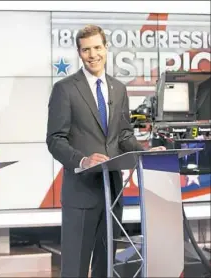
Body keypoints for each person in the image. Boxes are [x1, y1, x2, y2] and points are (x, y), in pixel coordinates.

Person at [46, 25, 165, 277]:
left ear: (106, 48)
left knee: (106, 266)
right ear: (79, 53)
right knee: (75, 268)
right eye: (86, 50)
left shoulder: (118, 89)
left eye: (97, 47)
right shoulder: (65, 89)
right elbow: (55, 140)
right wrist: (83, 159)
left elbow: (123, 135)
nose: (93, 54)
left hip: (112, 192)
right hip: (81, 194)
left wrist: (146, 153)